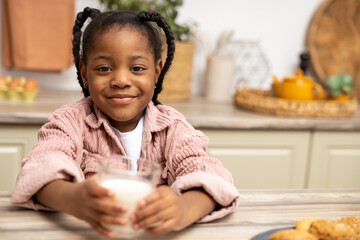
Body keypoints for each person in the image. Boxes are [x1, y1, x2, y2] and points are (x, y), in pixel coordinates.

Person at [11, 7, 239, 238]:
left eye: (137, 68)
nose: (120, 80)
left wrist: (185, 208)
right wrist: (72, 198)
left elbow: (212, 177)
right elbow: (39, 167)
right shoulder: (69, 123)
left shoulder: (173, 129)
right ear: (84, 73)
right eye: (104, 69)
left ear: (157, 72)